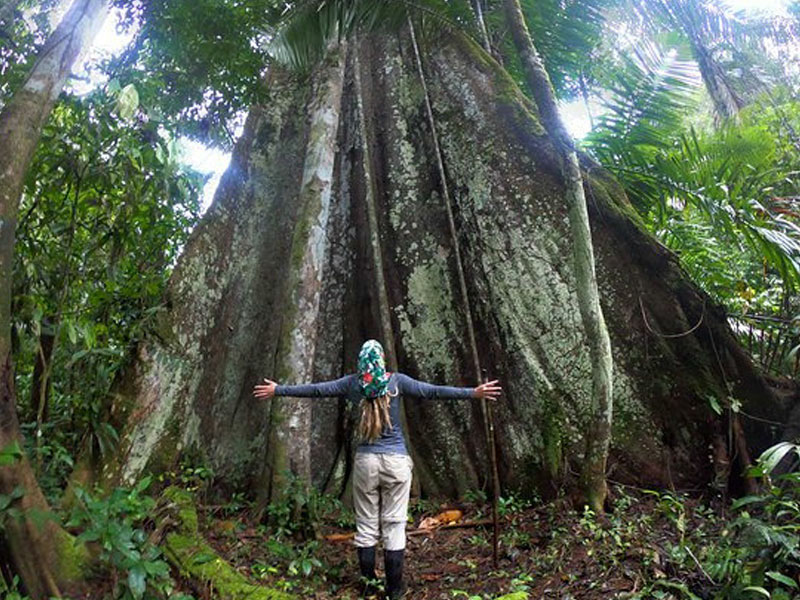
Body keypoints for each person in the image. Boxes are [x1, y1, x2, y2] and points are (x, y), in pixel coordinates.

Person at [253, 339, 502, 599]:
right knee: (394, 526)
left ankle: (369, 585)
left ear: (361, 362)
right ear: (382, 360)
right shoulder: (397, 382)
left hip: (366, 463)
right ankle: (394, 591)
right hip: (397, 462)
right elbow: (433, 391)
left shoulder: (352, 384)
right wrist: (474, 392)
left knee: (366, 525)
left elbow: (317, 390)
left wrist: (278, 390)